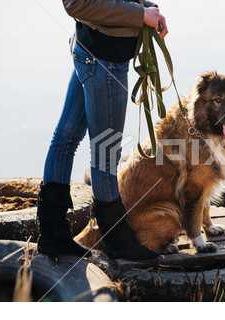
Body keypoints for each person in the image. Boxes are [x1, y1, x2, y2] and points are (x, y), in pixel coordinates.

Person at [36, 0, 168, 260]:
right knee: (106, 153)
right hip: (104, 60)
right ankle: (118, 242)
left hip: (92, 52)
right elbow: (77, 4)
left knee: (66, 138)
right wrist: (140, 14)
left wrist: (147, 9)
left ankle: (53, 235)